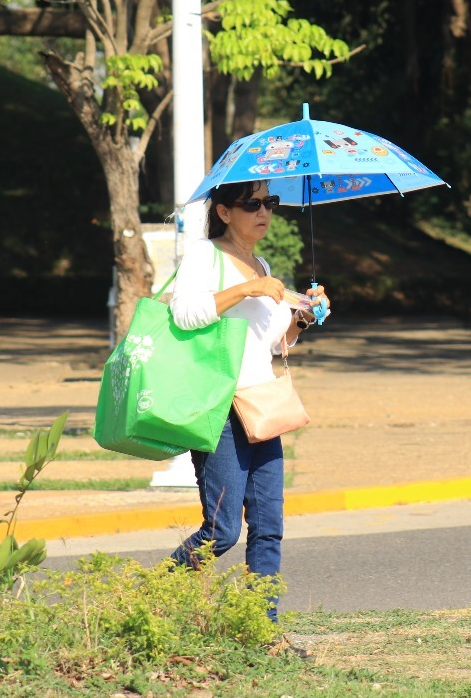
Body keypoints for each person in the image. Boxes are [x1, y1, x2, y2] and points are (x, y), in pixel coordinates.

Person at [167, 180, 328, 650]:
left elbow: (274, 340)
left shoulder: (263, 264)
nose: (264, 212)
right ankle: (151, 596)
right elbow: (186, 315)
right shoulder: (206, 256)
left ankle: (264, 631)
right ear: (223, 211)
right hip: (218, 404)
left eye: (270, 204)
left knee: (269, 525)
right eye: (252, 204)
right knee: (221, 531)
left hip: (260, 403)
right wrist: (247, 288)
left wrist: (302, 316)